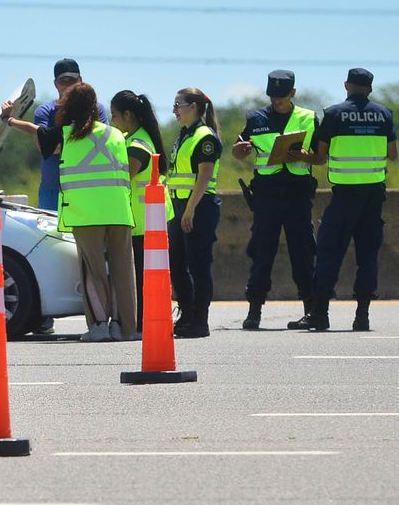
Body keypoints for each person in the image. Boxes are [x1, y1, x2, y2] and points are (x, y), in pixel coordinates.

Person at [6, 82, 135, 340]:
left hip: (86, 214)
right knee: (122, 271)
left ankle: (99, 326)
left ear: (69, 108)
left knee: (93, 271)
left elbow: (38, 133)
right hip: (120, 212)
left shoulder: (67, 135)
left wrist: (10, 120)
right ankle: (123, 328)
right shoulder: (116, 135)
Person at [303, 67, 397, 331]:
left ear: (346, 85)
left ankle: (320, 314)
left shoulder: (333, 114)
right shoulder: (384, 114)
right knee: (367, 256)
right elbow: (393, 154)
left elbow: (320, 158)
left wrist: (301, 155)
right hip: (373, 196)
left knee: (329, 253)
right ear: (370, 88)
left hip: (344, 196)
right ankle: (362, 316)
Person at [230, 70, 318, 330]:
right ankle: (254, 310)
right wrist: (240, 150)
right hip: (266, 198)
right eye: (273, 96)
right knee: (261, 254)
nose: (276, 100)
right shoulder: (256, 119)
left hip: (297, 197)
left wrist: (304, 157)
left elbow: (322, 157)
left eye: (281, 96)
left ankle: (310, 310)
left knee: (303, 254)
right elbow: (238, 150)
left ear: (293, 93)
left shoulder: (309, 118)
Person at [27, 59, 108, 337]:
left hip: (86, 190)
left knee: (93, 254)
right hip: (53, 189)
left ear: (81, 80)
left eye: (73, 80)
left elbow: (95, 144)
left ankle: (97, 314)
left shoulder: (98, 110)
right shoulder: (46, 110)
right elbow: (46, 149)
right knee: (47, 249)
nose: (68, 85)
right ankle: (45, 316)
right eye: (63, 81)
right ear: (55, 84)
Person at [109, 90, 173, 334]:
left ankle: (143, 325)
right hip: (145, 220)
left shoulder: (137, 145)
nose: (113, 121)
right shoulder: (134, 139)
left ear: (128, 114)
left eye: (115, 115)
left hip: (145, 222)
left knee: (142, 278)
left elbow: (124, 178)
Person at [167, 87, 222, 338]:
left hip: (198, 207)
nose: (174, 110)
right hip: (180, 208)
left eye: (178, 105)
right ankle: (187, 315)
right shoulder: (185, 135)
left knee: (199, 266)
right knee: (177, 264)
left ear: (194, 107)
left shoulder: (204, 136)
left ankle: (200, 320)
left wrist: (189, 210)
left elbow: (204, 176)